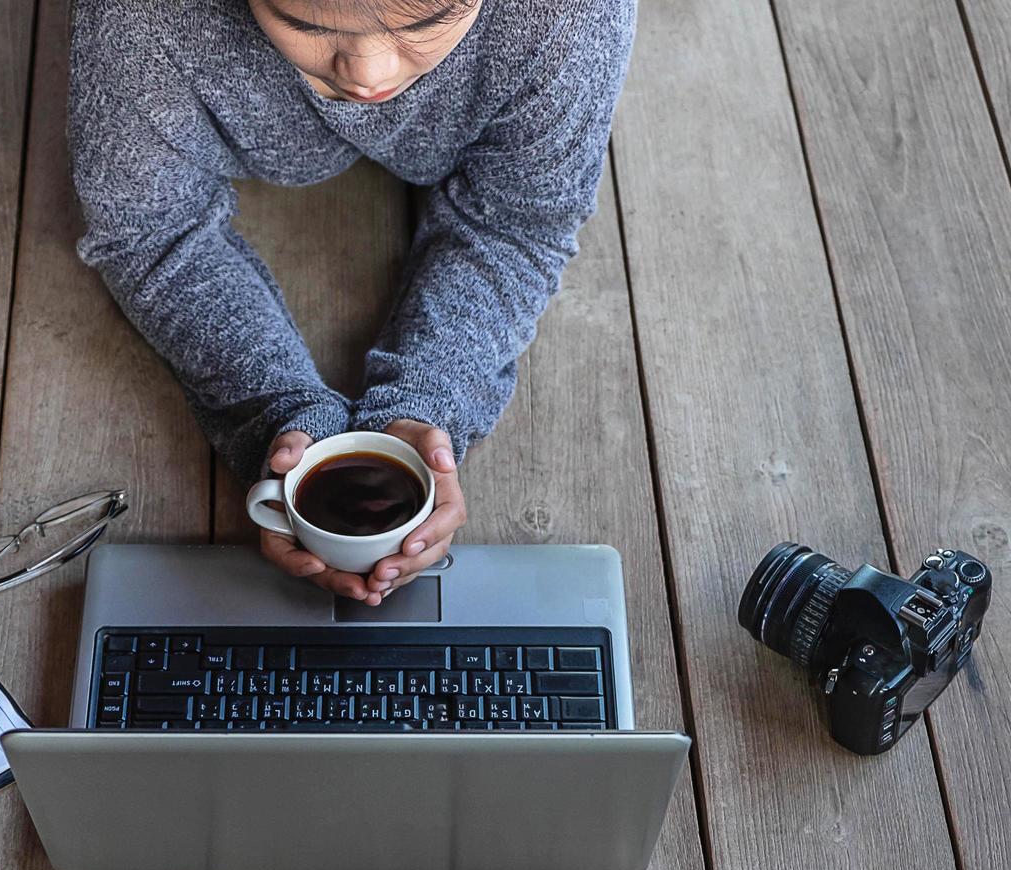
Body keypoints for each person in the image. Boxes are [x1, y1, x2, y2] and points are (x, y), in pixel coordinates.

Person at [69, 0, 636, 605]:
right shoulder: (137, 16)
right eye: (308, 27)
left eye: (425, 24)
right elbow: (148, 229)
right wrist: (275, 409)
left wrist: (431, 397)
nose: (369, 74)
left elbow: (520, 221)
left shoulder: (572, 13)